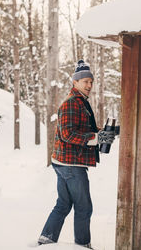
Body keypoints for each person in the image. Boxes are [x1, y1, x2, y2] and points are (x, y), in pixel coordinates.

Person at [38, 60, 115, 249]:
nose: (89, 85)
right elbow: (67, 134)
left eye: (91, 82)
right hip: (71, 164)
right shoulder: (72, 103)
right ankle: (82, 245)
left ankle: (46, 240)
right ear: (75, 82)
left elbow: (82, 128)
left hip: (64, 161)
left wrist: (104, 133)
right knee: (84, 207)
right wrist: (97, 138)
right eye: (85, 81)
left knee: (63, 204)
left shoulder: (80, 102)